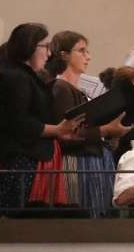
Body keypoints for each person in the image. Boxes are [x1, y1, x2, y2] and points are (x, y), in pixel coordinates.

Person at [0, 23, 84, 213]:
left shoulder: (25, 76)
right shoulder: (17, 77)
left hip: (32, 156)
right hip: (22, 159)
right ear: (30, 46)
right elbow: (19, 122)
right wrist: (57, 129)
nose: (49, 53)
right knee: (23, 223)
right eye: (45, 46)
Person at [47, 31, 125, 215]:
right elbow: (66, 135)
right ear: (64, 55)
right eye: (81, 51)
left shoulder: (76, 89)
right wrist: (106, 130)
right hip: (77, 163)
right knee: (84, 221)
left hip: (91, 160)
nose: (88, 56)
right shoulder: (61, 88)